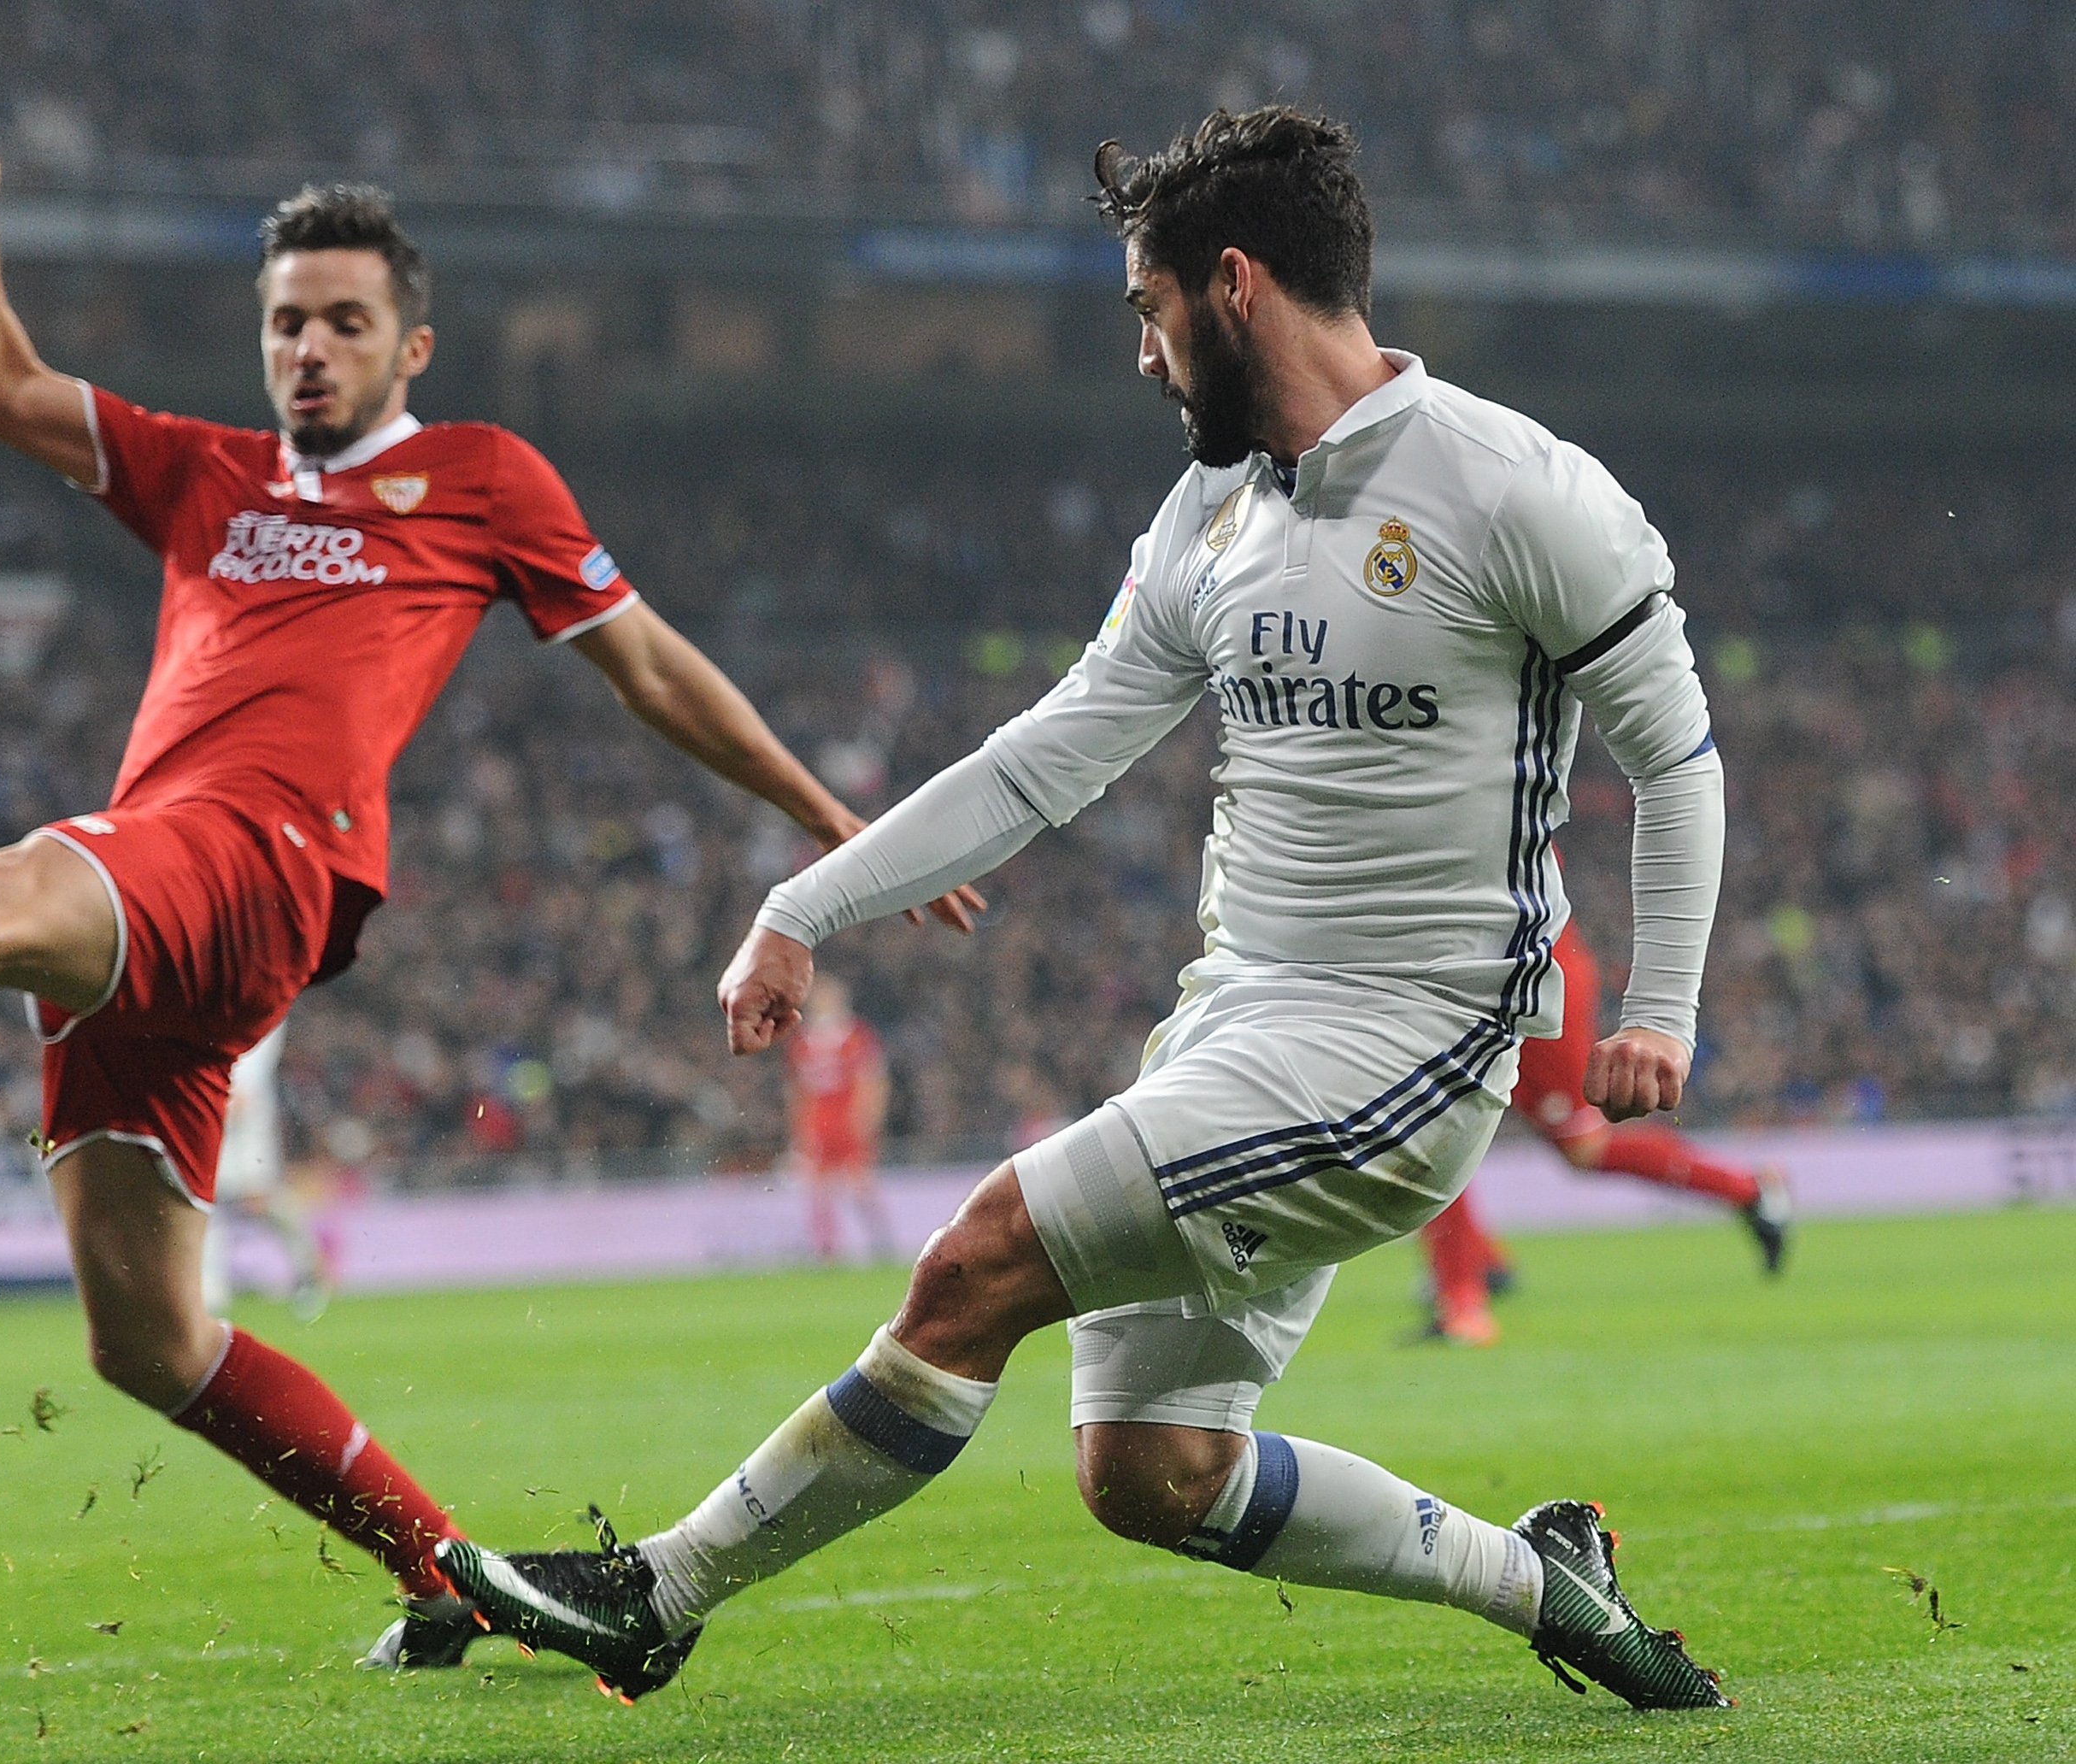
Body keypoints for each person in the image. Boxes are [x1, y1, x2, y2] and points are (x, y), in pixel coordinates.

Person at [0, 98, 973, 1674]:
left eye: (346, 323)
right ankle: (452, 1570)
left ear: (410, 348)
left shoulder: (482, 478)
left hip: (269, 861)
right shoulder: (207, 474)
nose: (310, 349)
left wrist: (835, 824)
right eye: (287, 321)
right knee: (149, 1341)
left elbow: (647, 667)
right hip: (176, 901)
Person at [437, 107, 1734, 1712]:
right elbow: (1051, 751)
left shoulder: (1514, 486)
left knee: (978, 1257)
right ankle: (1549, 1580)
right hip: (1239, 1024)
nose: (1142, 354)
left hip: (1410, 1045)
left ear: (1234, 284)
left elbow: (1674, 754)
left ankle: (660, 1589)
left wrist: (1659, 1001)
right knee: (1151, 1467)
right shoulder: (1214, 515)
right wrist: (805, 902)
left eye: (1147, 309)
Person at [1419, 918, 1792, 1344]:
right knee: (1430, 1122)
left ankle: (1747, 1189)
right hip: (1461, 973)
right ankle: (1472, 1280)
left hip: (1527, 974)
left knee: (1581, 1147)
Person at [199, 1021, 330, 1322]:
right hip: (214, 1106)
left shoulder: (258, 1001)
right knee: (206, 1205)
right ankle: (210, 1298)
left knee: (257, 1199)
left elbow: (254, 1060)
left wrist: (240, 1090)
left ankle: (310, 1269)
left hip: (242, 1113)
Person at [781, 974, 896, 1261]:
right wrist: (799, 1126)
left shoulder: (856, 1035)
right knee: (817, 1190)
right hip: (817, 1123)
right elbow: (797, 1089)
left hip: (848, 1120)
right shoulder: (803, 1041)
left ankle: (880, 1242)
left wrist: (868, 1116)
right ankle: (826, 1250)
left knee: (860, 1185)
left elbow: (873, 1079)